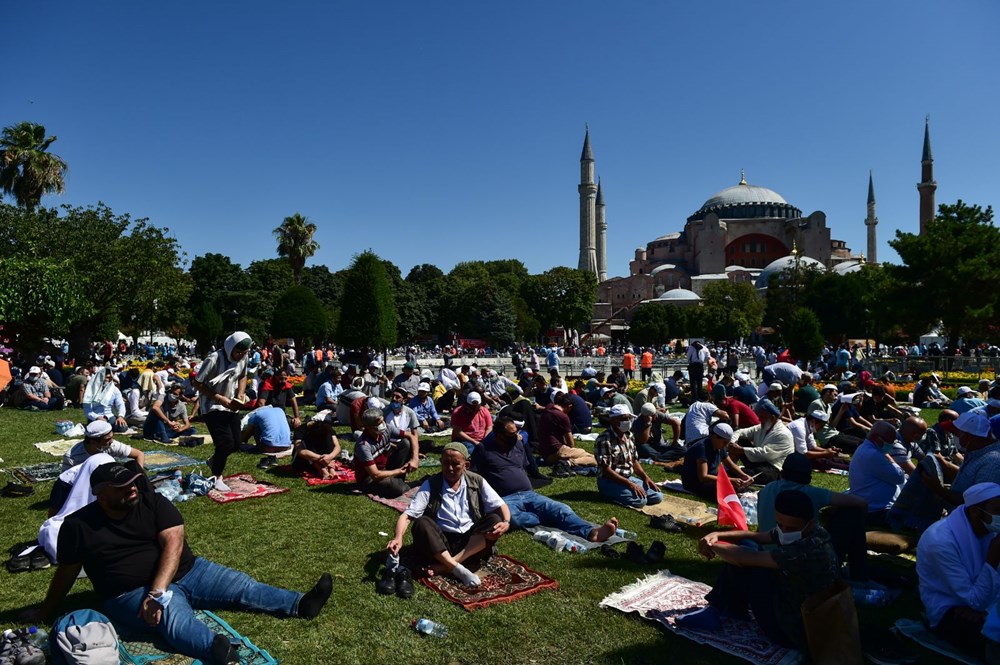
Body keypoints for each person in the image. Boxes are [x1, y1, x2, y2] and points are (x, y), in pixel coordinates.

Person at [26, 462, 333, 665]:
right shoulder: (79, 526)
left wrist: (157, 591)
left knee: (242, 586)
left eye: (133, 481)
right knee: (173, 621)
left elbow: (174, 542)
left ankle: (301, 603)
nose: (133, 487)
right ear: (101, 494)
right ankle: (218, 649)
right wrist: (46, 610)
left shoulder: (151, 500)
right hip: (128, 592)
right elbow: (66, 572)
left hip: (187, 571)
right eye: (122, 486)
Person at [679, 490, 841, 650]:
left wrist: (712, 546)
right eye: (780, 525)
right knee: (749, 546)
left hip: (795, 631)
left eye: (789, 528)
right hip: (797, 603)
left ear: (810, 523)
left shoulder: (808, 549)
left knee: (752, 564)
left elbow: (742, 559)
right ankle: (733, 609)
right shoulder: (809, 530)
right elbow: (761, 536)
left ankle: (715, 610)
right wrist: (719, 535)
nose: (784, 531)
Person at [472, 417, 619, 542]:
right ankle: (539, 518)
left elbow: (524, 466)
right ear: (498, 435)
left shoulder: (517, 444)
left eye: (516, 432)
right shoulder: (483, 449)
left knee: (561, 509)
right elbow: (474, 476)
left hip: (528, 493)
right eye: (511, 434)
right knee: (513, 519)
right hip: (504, 499)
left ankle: (591, 532)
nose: (516, 436)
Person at [387, 443, 511, 587]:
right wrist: (398, 537)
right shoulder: (432, 484)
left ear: (466, 465)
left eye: (455, 464)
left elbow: (501, 506)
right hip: (440, 543)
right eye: (446, 463)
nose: (450, 468)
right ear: (441, 462)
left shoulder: (476, 481)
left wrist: (506, 523)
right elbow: (407, 515)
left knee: (494, 520)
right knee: (422, 523)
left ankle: (447, 565)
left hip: (470, 542)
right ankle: (458, 568)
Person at [917, 482, 1000, 660]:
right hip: (951, 611)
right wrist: (993, 559)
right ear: (976, 512)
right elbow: (974, 600)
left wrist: (988, 610)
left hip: (982, 607)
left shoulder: (991, 531)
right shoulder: (941, 541)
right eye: (998, 510)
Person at [190, 331, 252, 492]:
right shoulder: (214, 359)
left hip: (231, 403)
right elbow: (197, 383)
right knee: (225, 442)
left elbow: (243, 375)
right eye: (237, 352)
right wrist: (219, 398)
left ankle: (214, 460)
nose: (239, 355)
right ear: (230, 347)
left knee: (237, 443)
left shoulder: (243, 358)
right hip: (212, 405)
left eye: (243, 352)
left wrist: (240, 393)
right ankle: (216, 476)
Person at [595, 405, 663, 508]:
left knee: (657, 496)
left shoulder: (629, 436)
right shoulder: (604, 440)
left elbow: (634, 461)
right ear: (613, 420)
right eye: (623, 419)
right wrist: (630, 484)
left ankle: (626, 490)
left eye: (628, 418)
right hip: (609, 480)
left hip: (627, 477)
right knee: (640, 501)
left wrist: (645, 478)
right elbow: (606, 470)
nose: (627, 421)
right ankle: (608, 493)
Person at [846, 421, 905, 526]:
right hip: (878, 512)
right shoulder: (873, 455)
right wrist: (890, 458)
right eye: (890, 442)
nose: (891, 445)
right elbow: (899, 477)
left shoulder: (867, 449)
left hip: (875, 508)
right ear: (878, 439)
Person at [354, 407, 419, 499]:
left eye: (382, 421)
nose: (382, 424)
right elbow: (375, 475)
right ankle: (411, 484)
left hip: (385, 467)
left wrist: (414, 459)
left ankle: (398, 480)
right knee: (398, 489)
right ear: (369, 427)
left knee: (405, 443)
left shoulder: (387, 428)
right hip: (369, 479)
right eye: (378, 423)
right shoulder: (364, 446)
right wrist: (399, 471)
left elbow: (411, 436)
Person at [727, 399, 794, 485]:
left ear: (772, 418)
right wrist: (732, 443)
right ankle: (730, 466)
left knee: (740, 474)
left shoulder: (783, 434)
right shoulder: (762, 427)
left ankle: (733, 471)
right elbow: (740, 432)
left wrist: (741, 450)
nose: (759, 419)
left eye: (762, 417)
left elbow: (766, 453)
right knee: (741, 440)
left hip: (773, 469)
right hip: (758, 462)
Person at [681, 422, 752, 500]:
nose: (725, 446)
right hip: (696, 483)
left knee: (742, 479)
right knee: (730, 489)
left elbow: (730, 465)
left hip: (712, 479)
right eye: (724, 442)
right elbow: (703, 477)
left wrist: (744, 476)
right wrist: (730, 480)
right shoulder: (702, 448)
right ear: (714, 437)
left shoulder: (719, 446)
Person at [537, 393, 598, 468]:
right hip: (557, 451)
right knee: (594, 458)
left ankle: (566, 461)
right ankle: (568, 463)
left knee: (579, 452)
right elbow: (571, 443)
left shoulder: (548, 408)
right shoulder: (563, 416)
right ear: (570, 406)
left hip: (544, 452)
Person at [62, 420, 145, 472]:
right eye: (107, 439)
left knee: (133, 466)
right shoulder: (72, 457)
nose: (111, 441)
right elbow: (67, 482)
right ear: (93, 442)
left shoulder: (111, 445)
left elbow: (139, 454)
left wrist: (140, 476)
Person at [82, 367, 128, 432]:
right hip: (96, 416)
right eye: (106, 377)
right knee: (98, 429)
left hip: (109, 416)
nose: (107, 380)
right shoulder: (91, 389)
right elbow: (87, 409)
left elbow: (120, 404)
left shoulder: (114, 390)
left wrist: (120, 416)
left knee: (122, 427)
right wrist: (97, 417)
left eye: (109, 378)